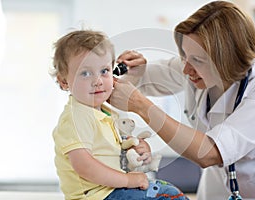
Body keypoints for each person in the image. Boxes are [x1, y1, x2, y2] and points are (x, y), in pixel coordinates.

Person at [110, 1, 255, 200]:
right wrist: (133, 73)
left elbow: (209, 153)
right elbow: (142, 80)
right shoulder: (193, 65)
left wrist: (142, 106)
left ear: (228, 59)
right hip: (216, 188)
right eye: (184, 57)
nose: (185, 70)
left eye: (198, 61)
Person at [50, 30, 189, 200]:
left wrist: (134, 149)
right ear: (64, 81)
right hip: (99, 196)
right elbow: (84, 166)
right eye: (85, 73)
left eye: (104, 70)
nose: (98, 81)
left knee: (169, 192)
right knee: (168, 196)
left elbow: (107, 155)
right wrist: (127, 180)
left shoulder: (105, 114)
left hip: (111, 191)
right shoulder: (77, 116)